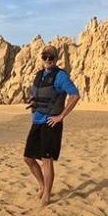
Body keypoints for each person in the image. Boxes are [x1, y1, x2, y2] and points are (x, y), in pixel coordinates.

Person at [23, 45, 80, 206]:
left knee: (46, 159)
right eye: (45, 56)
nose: (48, 60)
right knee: (28, 158)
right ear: (42, 58)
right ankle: (42, 186)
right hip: (37, 121)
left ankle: (47, 193)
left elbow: (75, 96)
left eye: (51, 57)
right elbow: (35, 95)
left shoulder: (60, 76)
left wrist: (61, 116)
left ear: (56, 59)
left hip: (51, 122)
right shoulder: (39, 75)